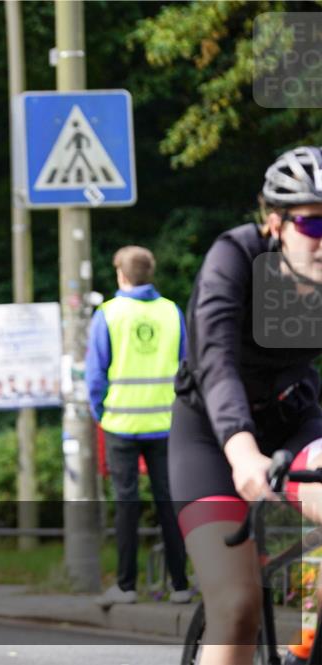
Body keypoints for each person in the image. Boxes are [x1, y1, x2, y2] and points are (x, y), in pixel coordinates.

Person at [169, 146, 322, 665]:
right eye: (314, 226)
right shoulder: (234, 257)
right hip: (213, 436)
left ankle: (309, 633)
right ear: (275, 223)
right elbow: (215, 360)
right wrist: (242, 453)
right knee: (236, 607)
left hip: (295, 420)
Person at [86, 246, 192, 606]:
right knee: (170, 502)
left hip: (121, 423)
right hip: (166, 424)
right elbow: (188, 367)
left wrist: (102, 413)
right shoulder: (171, 312)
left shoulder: (108, 314)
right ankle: (180, 585)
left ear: (121, 275)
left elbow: (95, 375)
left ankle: (126, 586)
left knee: (126, 504)